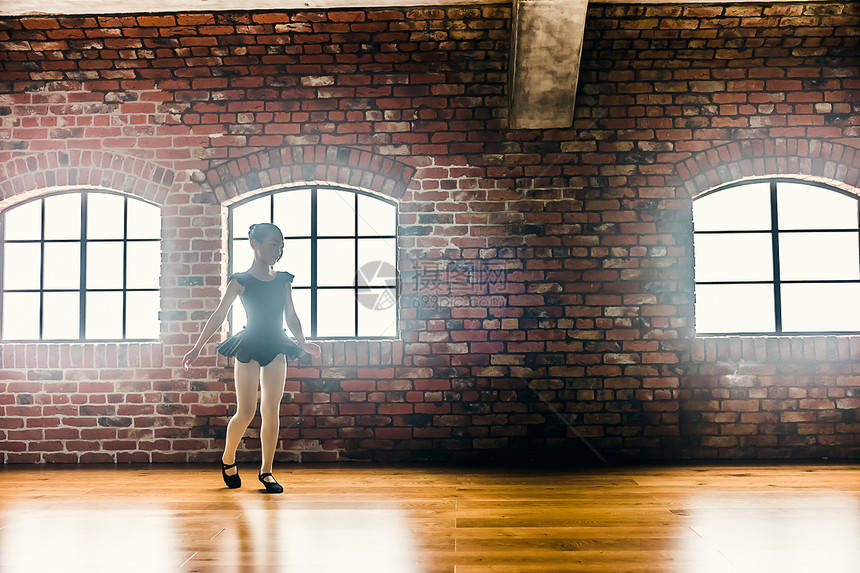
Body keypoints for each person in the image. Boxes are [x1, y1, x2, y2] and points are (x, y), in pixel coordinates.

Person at [182, 222, 321, 493]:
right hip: (248, 346)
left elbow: (291, 315)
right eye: (273, 244)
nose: (278, 251)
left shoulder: (283, 280)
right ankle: (227, 458)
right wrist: (197, 347)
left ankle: (266, 471)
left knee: (271, 410)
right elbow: (219, 315)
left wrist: (303, 342)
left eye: (281, 246)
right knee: (245, 411)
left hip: (277, 345)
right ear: (254, 244)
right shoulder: (240, 281)